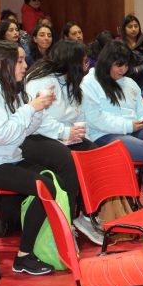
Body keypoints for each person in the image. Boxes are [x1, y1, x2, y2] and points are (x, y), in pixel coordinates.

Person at [0, 40, 64, 275]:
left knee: (52, 180)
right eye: (19, 60)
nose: (25, 65)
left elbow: (22, 131)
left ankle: (36, 247)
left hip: (5, 158)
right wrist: (30, 108)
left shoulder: (8, 87)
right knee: (44, 187)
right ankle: (24, 256)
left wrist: (38, 109)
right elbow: (0, 134)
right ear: (1, 63)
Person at [24, 40, 100, 243]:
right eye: (83, 61)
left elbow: (79, 114)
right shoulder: (39, 81)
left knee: (95, 153)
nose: (87, 66)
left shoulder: (72, 81)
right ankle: (65, 223)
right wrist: (65, 132)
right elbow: (38, 121)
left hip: (64, 136)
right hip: (36, 137)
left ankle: (87, 214)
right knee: (68, 162)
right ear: (71, 62)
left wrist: (81, 134)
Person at [81, 40, 143, 206]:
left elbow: (141, 111)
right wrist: (129, 126)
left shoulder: (130, 83)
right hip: (103, 135)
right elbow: (95, 119)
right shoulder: (89, 83)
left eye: (126, 65)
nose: (123, 69)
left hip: (132, 129)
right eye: (119, 65)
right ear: (106, 62)